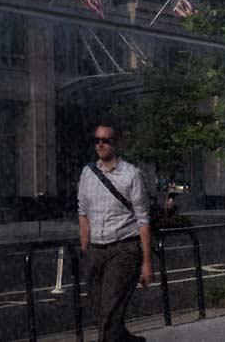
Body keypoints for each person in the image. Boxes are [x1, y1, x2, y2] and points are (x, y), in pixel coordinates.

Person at [78, 124, 153, 342]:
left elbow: (143, 220)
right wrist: (86, 249)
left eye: (106, 140)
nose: (100, 144)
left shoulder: (131, 175)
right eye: (97, 140)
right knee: (99, 309)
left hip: (124, 249)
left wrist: (146, 262)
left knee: (110, 308)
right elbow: (83, 212)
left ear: (115, 143)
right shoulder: (88, 173)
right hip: (96, 250)